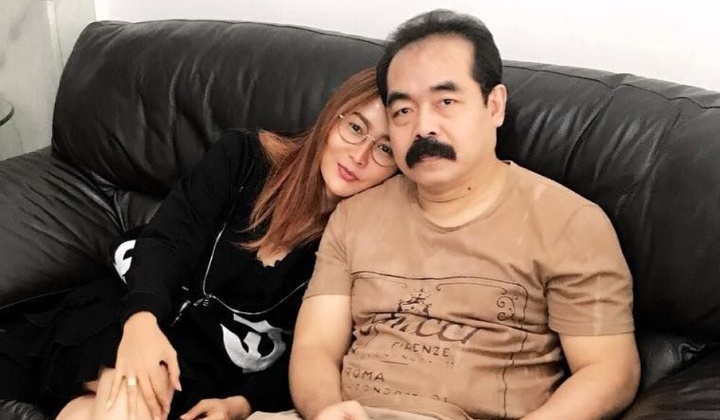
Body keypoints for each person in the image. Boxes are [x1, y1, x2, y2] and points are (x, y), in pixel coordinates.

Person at [286, 10, 640, 420]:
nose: (423, 127)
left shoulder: (570, 223)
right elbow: (314, 347)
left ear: (495, 106)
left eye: (446, 102)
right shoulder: (355, 216)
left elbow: (610, 371)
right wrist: (326, 411)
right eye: (403, 111)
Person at [0, 67, 397, 420]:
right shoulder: (244, 158)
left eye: (384, 149)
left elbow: (313, 351)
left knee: (101, 410)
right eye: (355, 128)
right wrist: (141, 323)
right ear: (331, 118)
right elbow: (166, 239)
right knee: (135, 393)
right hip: (131, 311)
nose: (360, 156)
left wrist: (243, 403)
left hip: (204, 371)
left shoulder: (354, 244)